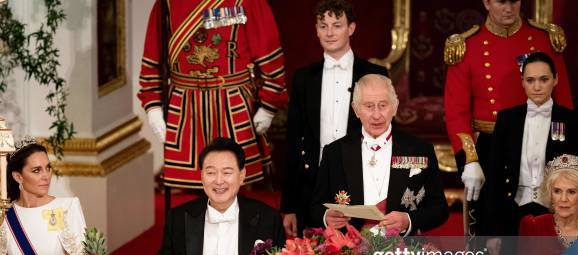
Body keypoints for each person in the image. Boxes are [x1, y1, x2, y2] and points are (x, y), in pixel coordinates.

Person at [444, 0, 572, 235]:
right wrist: (470, 159)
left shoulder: (544, 39)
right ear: (485, 2)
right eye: (501, 1)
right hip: (491, 146)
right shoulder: (467, 45)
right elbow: (456, 113)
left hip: (540, 140)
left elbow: (563, 106)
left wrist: (561, 156)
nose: (508, 8)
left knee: (544, 232)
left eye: (514, 1)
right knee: (491, 232)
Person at [138, 0, 288, 189]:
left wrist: (268, 106)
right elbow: (152, 57)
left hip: (233, 106)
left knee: (233, 185)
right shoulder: (166, 3)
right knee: (189, 193)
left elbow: (269, 53)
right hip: (184, 107)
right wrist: (152, 106)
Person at [280, 0, 388, 237]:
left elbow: (388, 138)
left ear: (351, 28)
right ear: (316, 30)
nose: (329, 32)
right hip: (312, 183)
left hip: (363, 183)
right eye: (323, 25)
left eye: (337, 25)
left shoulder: (375, 74)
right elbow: (293, 141)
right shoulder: (303, 78)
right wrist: (289, 206)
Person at [311, 74, 448, 234]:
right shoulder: (334, 152)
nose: (376, 115)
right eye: (369, 106)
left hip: (403, 250)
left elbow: (440, 210)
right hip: (349, 251)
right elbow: (315, 207)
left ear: (395, 106)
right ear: (356, 109)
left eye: (383, 105)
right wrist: (326, 216)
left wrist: (408, 220)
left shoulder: (420, 149)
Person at [485, 52, 578, 237]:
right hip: (512, 211)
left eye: (544, 79)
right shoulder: (507, 119)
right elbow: (494, 176)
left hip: (557, 213)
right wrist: (492, 234)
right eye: (530, 80)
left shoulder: (573, 120)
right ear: (522, 81)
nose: (537, 87)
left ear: (556, 79)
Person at [152, 138, 285, 255]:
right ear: (201, 176)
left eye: (227, 172)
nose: (219, 181)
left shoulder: (268, 218)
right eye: (211, 173)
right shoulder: (178, 217)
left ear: (242, 175)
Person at [0, 140, 86, 255]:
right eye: (36, 170)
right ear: (18, 176)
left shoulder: (67, 207)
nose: (46, 176)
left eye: (48, 168)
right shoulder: (4, 215)